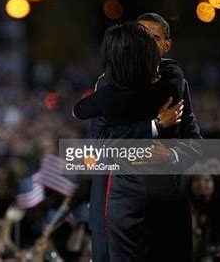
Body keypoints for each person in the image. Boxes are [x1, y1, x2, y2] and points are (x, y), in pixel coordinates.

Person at [74, 20, 202, 262]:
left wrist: (172, 156)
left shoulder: (177, 85)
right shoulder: (109, 87)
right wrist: (154, 126)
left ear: (166, 45)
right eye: (141, 39)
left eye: (153, 38)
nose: (146, 45)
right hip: (118, 207)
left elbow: (195, 142)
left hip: (169, 208)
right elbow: (101, 144)